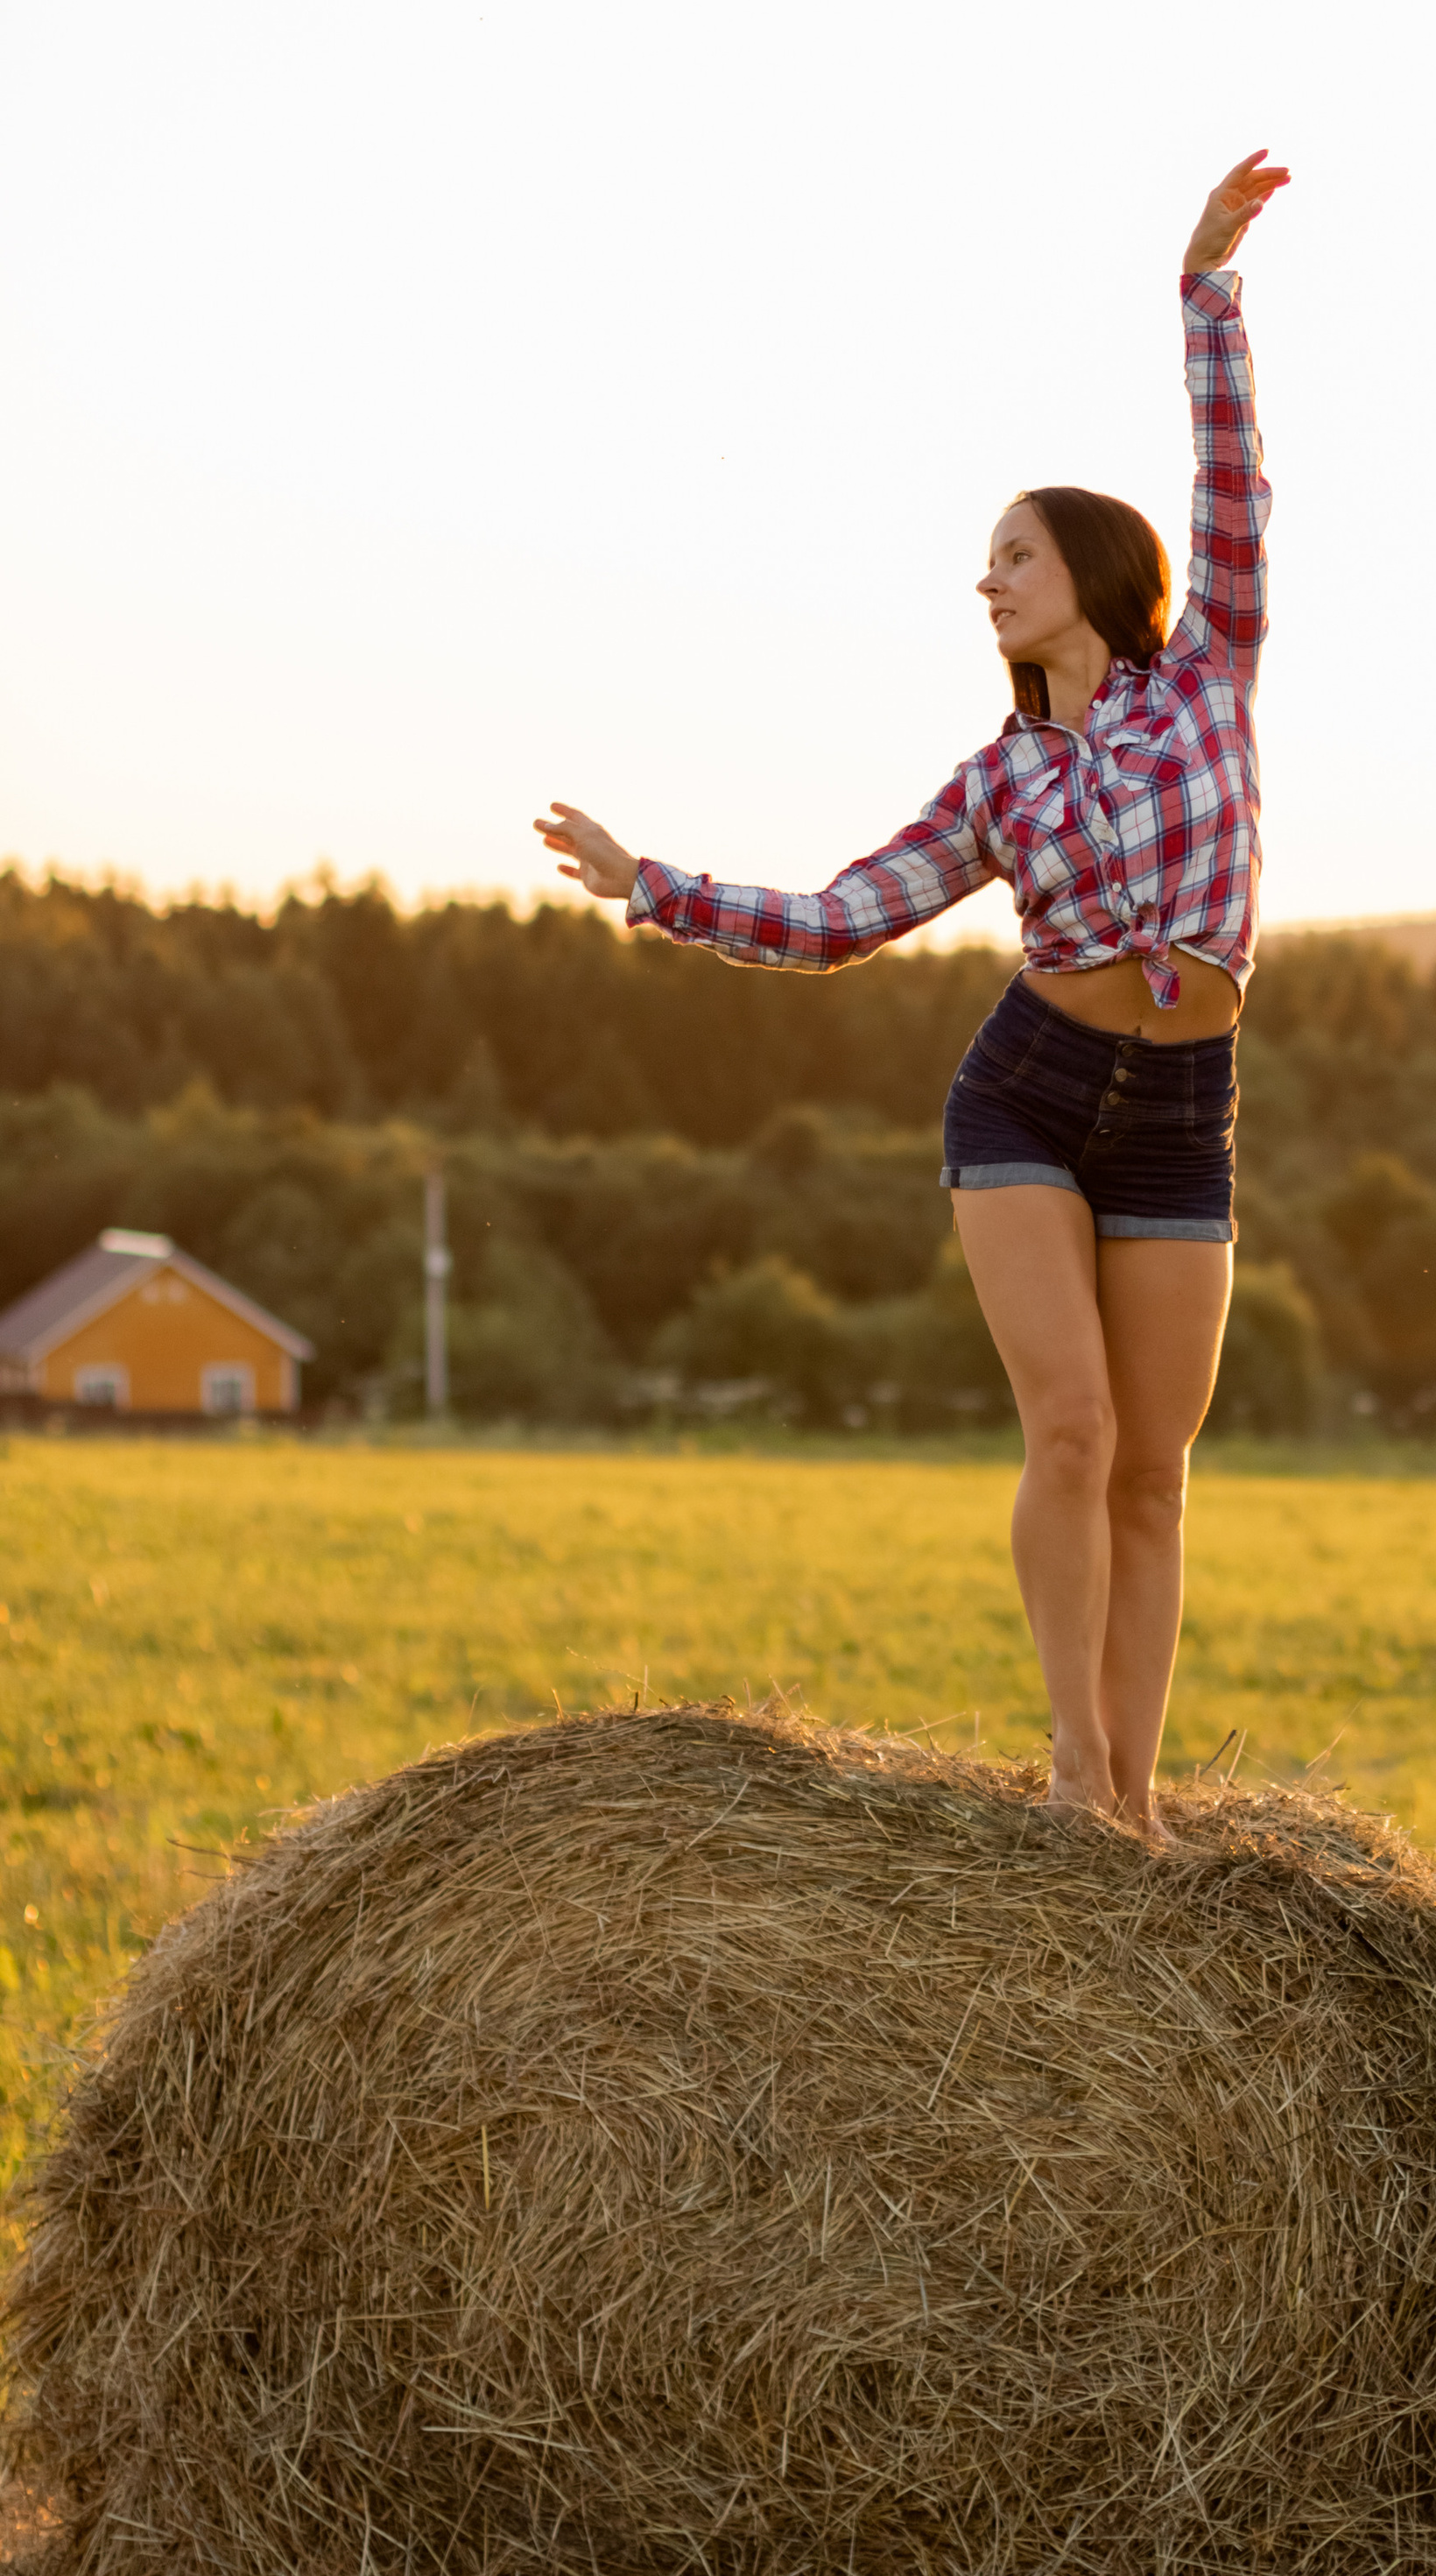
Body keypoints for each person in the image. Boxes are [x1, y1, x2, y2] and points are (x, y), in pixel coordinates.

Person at [537, 150, 1290, 1835]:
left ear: (1093, 570)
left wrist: (1205, 291)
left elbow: (1235, 480)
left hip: (1182, 1112)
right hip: (1026, 1098)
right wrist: (651, 884)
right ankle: (1074, 1769)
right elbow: (833, 920)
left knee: (1162, 1474)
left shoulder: (1212, 674)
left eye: (1011, 554)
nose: (987, 581)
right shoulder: (995, 784)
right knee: (1079, 1434)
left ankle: (1139, 1803)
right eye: (983, 564)